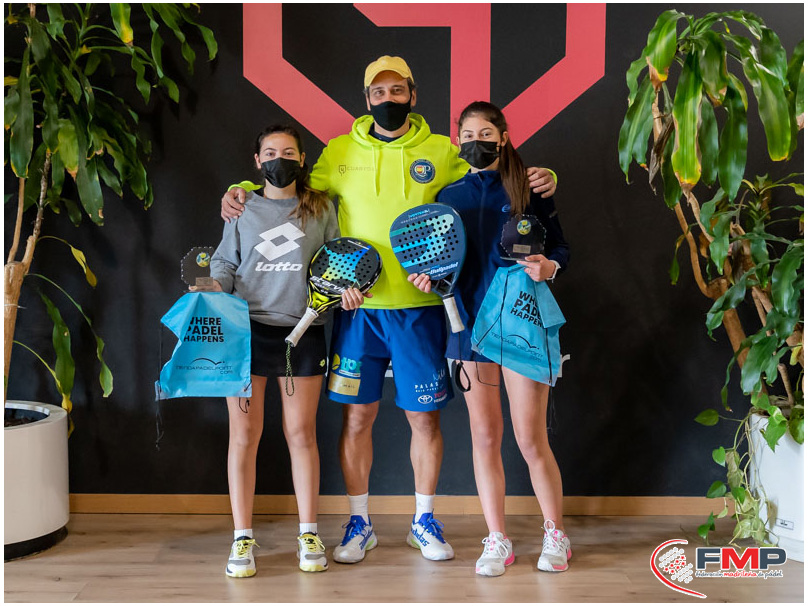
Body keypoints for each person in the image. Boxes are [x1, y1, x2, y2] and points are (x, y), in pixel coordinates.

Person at [220, 56, 558, 565]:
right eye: (378, 92)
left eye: (397, 90)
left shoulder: (443, 151)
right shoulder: (339, 152)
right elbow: (287, 188)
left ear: (413, 95)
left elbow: (494, 172)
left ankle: (423, 520)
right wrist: (242, 190)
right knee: (357, 419)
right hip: (358, 311)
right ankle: (360, 523)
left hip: (421, 310)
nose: (388, 99)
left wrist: (546, 175)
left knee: (424, 420)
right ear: (366, 99)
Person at [408, 101, 570, 577]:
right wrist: (429, 281)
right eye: (467, 135)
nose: (475, 142)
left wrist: (549, 266)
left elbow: (560, 247)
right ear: (457, 140)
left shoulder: (529, 185)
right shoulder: (447, 195)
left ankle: (555, 534)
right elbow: (439, 263)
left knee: (530, 438)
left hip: (519, 325)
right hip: (468, 330)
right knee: (484, 437)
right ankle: (497, 538)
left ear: (503, 136)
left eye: (485, 134)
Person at [207, 124, 366, 578]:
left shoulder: (321, 207)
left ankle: (308, 533)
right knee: (244, 436)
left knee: (301, 435)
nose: (281, 159)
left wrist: (347, 291)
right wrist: (215, 285)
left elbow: (338, 261)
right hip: (246, 334)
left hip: (304, 333)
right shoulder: (242, 206)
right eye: (271, 152)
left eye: (289, 152)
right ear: (258, 161)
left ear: (302, 159)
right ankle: (242, 538)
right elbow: (225, 261)